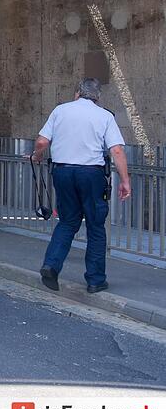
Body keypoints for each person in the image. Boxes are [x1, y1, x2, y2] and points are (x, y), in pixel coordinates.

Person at [32, 78, 131, 293]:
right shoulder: (104, 116)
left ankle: (51, 266)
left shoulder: (60, 111)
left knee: (67, 221)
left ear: (77, 92)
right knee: (95, 225)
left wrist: (37, 156)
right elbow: (116, 151)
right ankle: (95, 280)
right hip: (91, 174)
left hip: (63, 172)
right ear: (97, 97)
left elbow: (41, 142)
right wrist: (125, 181)